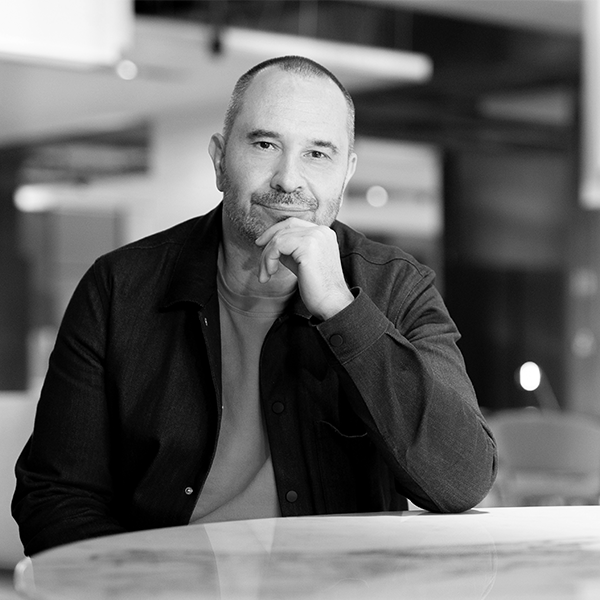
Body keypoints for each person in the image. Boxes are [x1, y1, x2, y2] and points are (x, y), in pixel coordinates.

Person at [12, 55, 497, 557]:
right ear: (220, 159)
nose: (288, 179)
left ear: (346, 172)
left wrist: (340, 307)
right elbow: (57, 497)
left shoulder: (397, 287)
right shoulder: (117, 289)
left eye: (318, 154)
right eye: (265, 144)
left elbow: (460, 481)